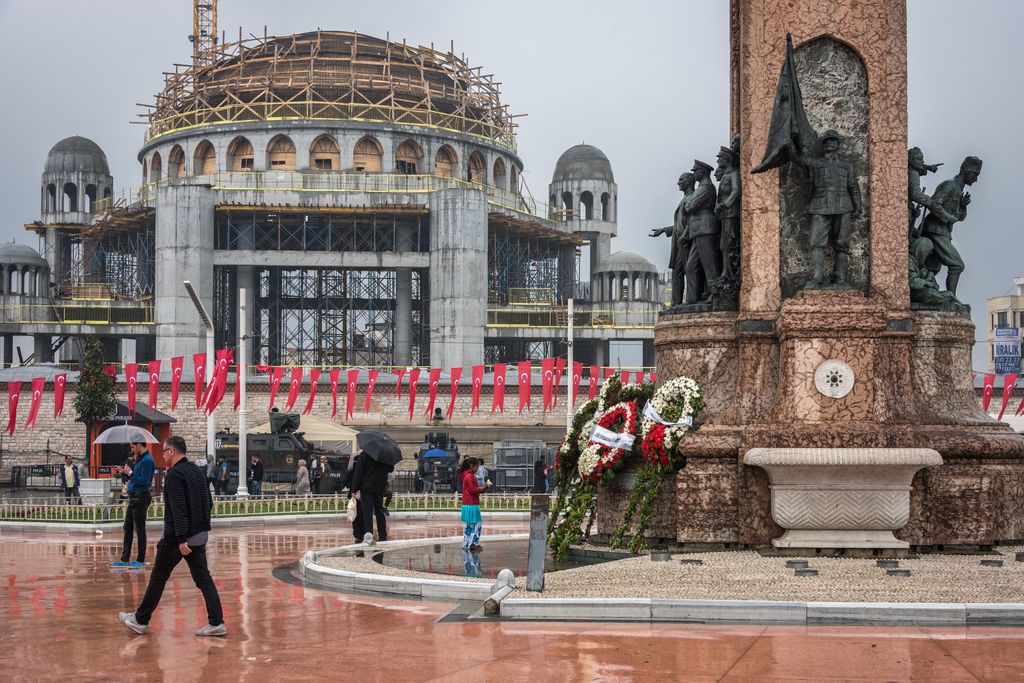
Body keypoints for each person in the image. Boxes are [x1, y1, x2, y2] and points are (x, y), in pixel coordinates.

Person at [118, 436, 225, 637]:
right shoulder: (197, 471)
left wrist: (182, 538)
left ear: (172, 451)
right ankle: (216, 622)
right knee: (203, 579)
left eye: (164, 451)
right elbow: (208, 504)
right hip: (199, 535)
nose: (163, 455)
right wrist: (200, 530)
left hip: (179, 539)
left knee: (159, 575)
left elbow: (178, 509)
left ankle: (141, 620)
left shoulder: (175, 475)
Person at [786, 130, 862, 286]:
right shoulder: (816, 163)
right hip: (820, 206)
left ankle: (840, 277)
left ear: (838, 144)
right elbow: (797, 159)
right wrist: (788, 142)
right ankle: (817, 277)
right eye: (826, 141)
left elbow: (853, 186)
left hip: (843, 206)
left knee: (842, 244)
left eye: (832, 140)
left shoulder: (846, 165)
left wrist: (857, 206)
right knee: (816, 242)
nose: (829, 143)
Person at [919, 155, 983, 299]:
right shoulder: (950, 185)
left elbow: (959, 218)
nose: (976, 179)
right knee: (957, 265)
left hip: (944, 232)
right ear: (967, 171)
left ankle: (928, 296)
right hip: (934, 230)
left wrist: (963, 206)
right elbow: (934, 203)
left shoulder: (959, 190)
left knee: (931, 268)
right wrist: (948, 218)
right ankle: (952, 298)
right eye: (975, 174)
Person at [112, 441, 155, 568]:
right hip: (133, 496)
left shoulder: (147, 460)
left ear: (139, 445)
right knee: (127, 527)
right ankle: (125, 558)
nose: (131, 449)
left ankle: (140, 559)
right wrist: (125, 471)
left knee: (140, 529)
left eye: (132, 446)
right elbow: (136, 477)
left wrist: (130, 473)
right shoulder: (139, 459)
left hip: (141, 496)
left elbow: (144, 481)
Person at [351, 449, 394, 542]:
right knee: (379, 511)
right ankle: (383, 536)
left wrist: (354, 488)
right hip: (380, 487)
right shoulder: (385, 455)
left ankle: (369, 536)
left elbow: (359, 472)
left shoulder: (365, 454)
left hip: (367, 487)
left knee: (367, 513)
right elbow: (390, 469)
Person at [460, 458, 491, 552]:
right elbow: (473, 490)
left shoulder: (466, 475)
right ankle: (473, 544)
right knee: (477, 524)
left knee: (470, 525)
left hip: (467, 503)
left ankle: (466, 544)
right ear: (471, 466)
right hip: (472, 504)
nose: (478, 468)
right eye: (477, 466)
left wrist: (482, 488)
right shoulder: (469, 476)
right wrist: (484, 487)